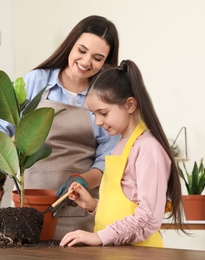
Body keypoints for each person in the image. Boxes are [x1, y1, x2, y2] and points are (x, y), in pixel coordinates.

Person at [0, 15, 121, 239]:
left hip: (78, 211)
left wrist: (83, 180)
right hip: (27, 207)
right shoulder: (37, 81)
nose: (86, 62)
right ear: (70, 45)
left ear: (106, 62)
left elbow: (107, 159)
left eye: (97, 58)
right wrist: (10, 165)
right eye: (82, 50)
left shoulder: (104, 99)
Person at [59, 60, 187, 248]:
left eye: (103, 113)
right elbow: (126, 206)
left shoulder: (148, 148)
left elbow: (148, 218)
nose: (98, 122)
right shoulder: (120, 145)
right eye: (94, 114)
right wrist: (94, 205)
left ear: (130, 105)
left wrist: (99, 237)